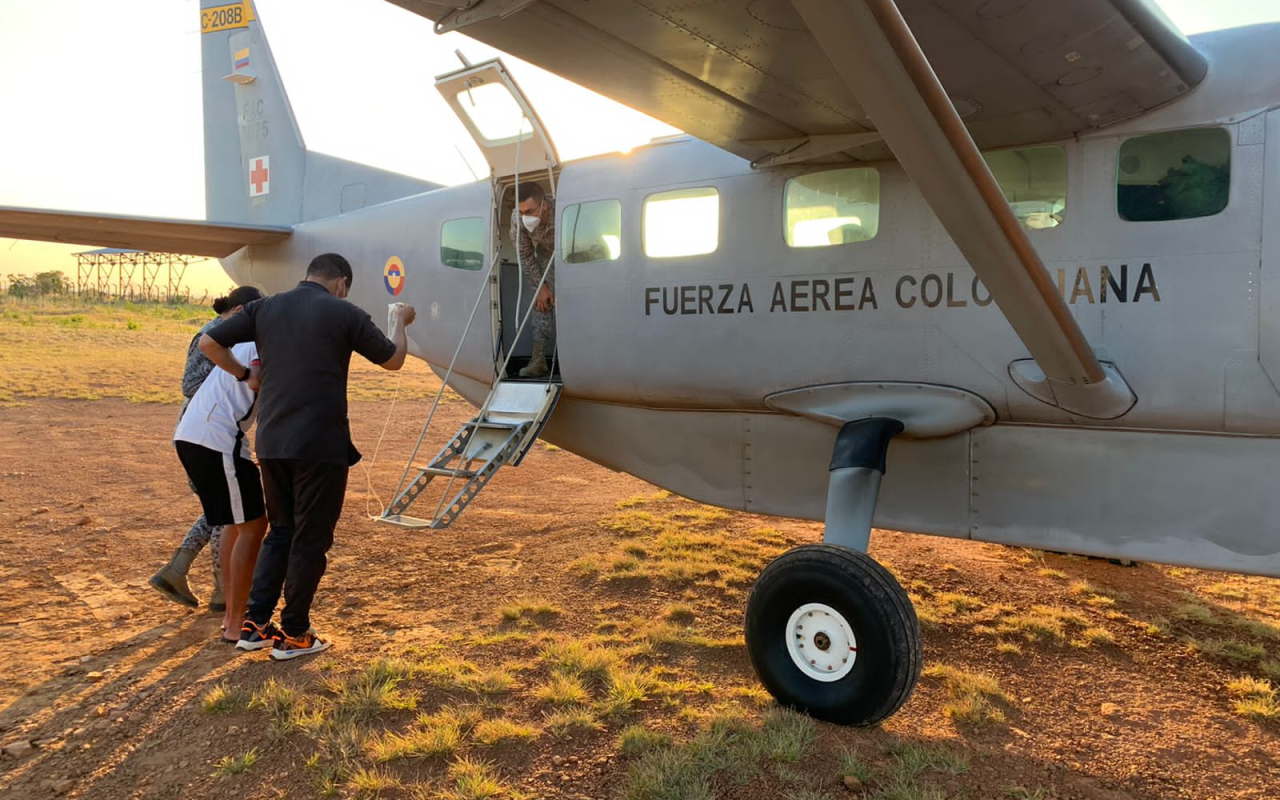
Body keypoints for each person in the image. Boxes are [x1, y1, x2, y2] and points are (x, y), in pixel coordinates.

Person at [200, 253, 416, 660]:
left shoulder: (265, 307)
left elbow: (209, 343)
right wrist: (400, 323)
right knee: (310, 540)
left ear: (309, 275)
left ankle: (255, 625)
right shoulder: (344, 311)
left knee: (281, 532)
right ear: (341, 283)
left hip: (273, 441)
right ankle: (295, 633)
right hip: (320, 444)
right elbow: (393, 359)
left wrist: (245, 375)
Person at [151, 286, 264, 610]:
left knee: (221, 509)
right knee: (229, 514)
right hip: (208, 429)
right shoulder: (215, 333)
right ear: (243, 310)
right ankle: (223, 590)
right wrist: (236, 375)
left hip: (206, 428)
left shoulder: (225, 333)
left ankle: (178, 570)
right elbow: (189, 383)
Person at [173, 331, 268, 643]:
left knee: (237, 523)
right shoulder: (261, 343)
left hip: (198, 436)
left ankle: (231, 612)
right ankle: (236, 621)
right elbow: (257, 381)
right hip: (217, 440)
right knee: (254, 527)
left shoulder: (243, 343)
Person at [512, 181, 556, 377]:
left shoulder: (562, 207)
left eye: (530, 211)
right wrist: (541, 287)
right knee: (542, 303)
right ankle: (538, 360)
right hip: (547, 255)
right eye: (521, 212)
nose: (525, 217)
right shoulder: (518, 219)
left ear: (544, 205)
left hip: (580, 252)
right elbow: (525, 255)